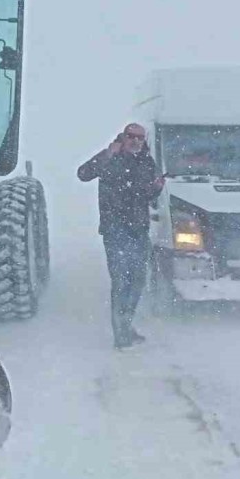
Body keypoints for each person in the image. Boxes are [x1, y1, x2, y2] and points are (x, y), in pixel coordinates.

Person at [77, 122, 165, 349]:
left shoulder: (147, 162)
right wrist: (107, 154)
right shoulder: (111, 157)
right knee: (120, 281)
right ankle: (120, 334)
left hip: (139, 229)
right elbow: (83, 174)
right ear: (123, 137)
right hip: (115, 230)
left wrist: (157, 187)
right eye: (131, 136)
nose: (136, 140)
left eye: (140, 137)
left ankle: (126, 325)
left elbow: (146, 195)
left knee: (137, 281)